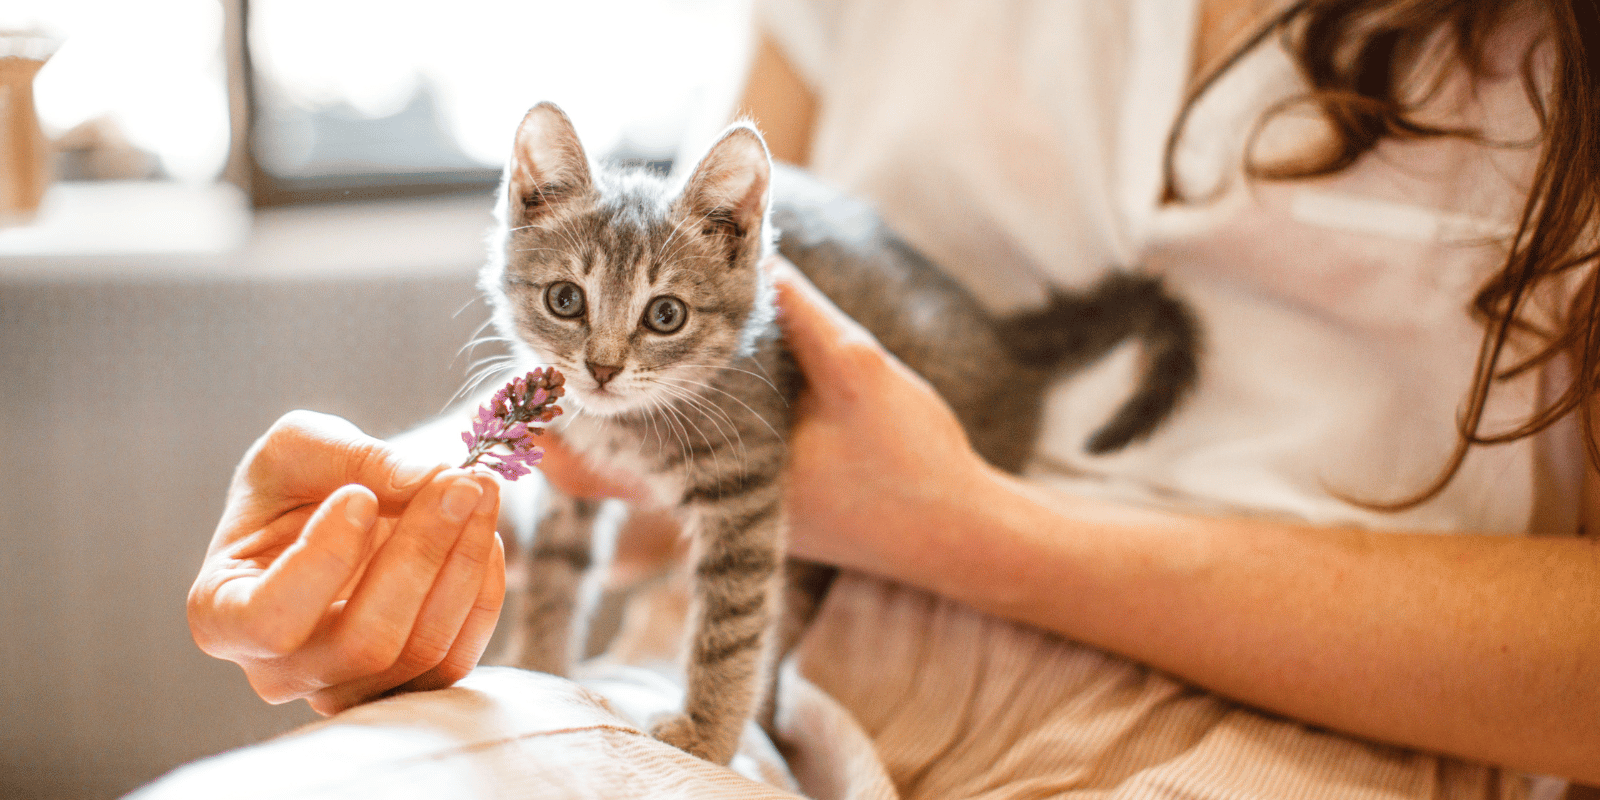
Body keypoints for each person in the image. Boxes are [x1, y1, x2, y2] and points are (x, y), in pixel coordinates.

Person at [187, 0, 1600, 795]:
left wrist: (962, 528)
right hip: (742, 673)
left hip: (1297, 733)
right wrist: (398, 497)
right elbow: (652, 330)